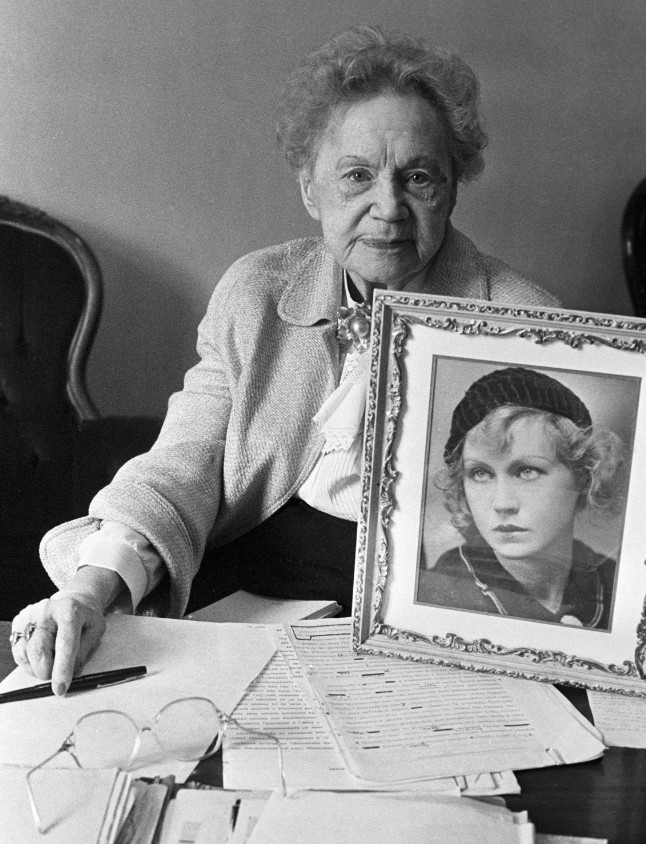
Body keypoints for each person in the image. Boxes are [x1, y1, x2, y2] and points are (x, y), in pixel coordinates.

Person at [11, 26, 559, 693]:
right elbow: (184, 462)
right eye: (357, 176)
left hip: (437, 604)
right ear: (310, 191)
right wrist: (90, 591)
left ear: (452, 188)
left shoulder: (530, 324)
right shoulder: (257, 291)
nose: (388, 208)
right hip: (253, 579)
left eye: (418, 177)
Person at [417, 367, 625, 628]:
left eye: (527, 471)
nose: (503, 504)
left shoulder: (619, 586)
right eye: (480, 473)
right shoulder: (437, 597)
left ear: (584, 477)